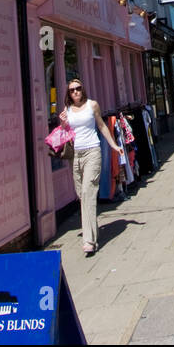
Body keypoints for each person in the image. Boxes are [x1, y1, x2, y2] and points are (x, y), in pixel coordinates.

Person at [59, 79, 123, 256]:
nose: (76, 92)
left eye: (78, 88)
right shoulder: (67, 110)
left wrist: (113, 145)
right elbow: (65, 133)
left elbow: (102, 126)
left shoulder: (92, 105)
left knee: (88, 192)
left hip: (92, 152)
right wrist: (63, 123)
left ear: (83, 89)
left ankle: (89, 241)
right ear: (69, 94)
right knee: (81, 194)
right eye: (72, 90)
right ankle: (92, 226)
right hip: (75, 155)